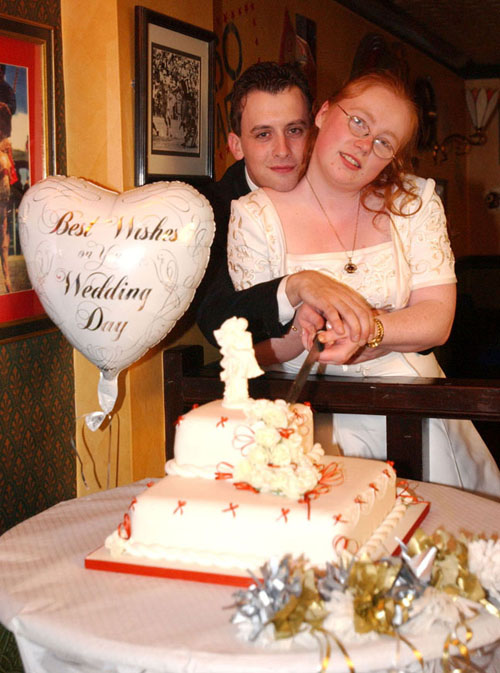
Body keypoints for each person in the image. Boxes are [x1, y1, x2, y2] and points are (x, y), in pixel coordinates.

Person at [227, 70, 500, 498]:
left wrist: (370, 329)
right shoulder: (254, 216)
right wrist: (302, 332)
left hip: (413, 406)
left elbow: (437, 320)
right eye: (358, 122)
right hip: (309, 416)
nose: (364, 144)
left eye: (384, 142)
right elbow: (254, 351)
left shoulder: (414, 202)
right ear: (323, 113)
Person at [197, 61, 374, 347]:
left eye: (294, 130)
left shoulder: (347, 180)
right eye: (263, 134)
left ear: (313, 130)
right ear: (236, 145)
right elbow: (216, 321)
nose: (282, 151)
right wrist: (294, 287)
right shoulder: (212, 212)